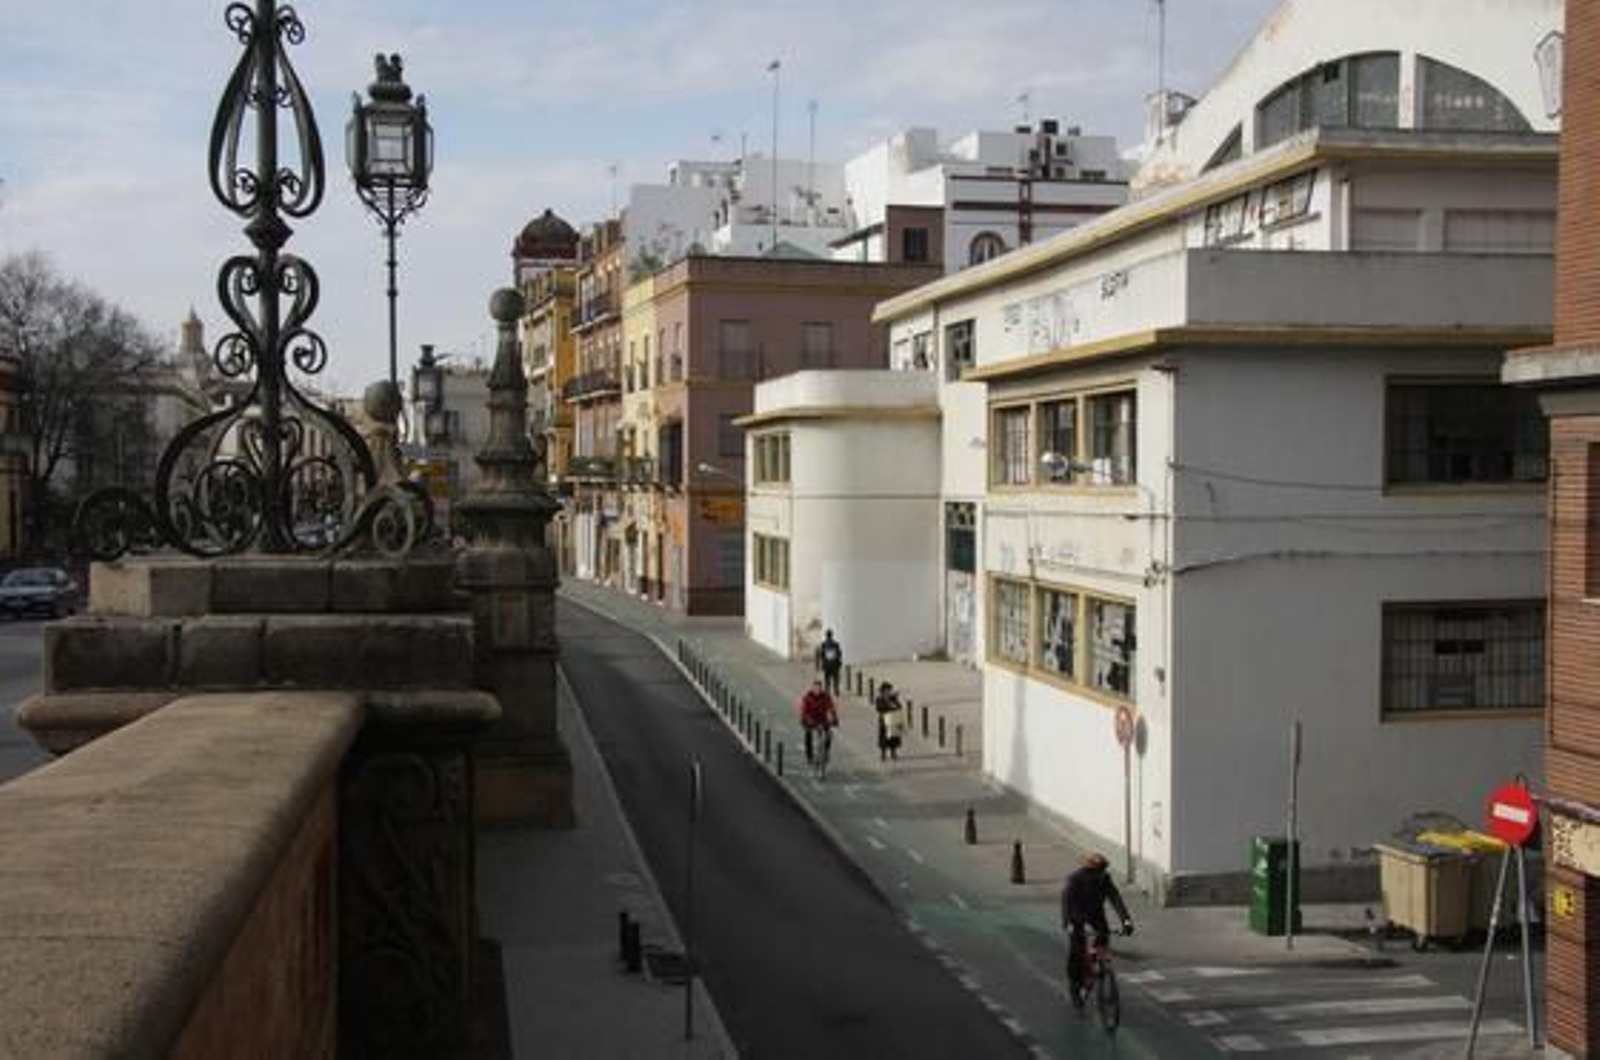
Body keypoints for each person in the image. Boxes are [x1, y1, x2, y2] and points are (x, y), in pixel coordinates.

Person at [1061, 852, 1134, 1008]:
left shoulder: (1104, 878)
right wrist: (1069, 923)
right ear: (1090, 869)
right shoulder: (1075, 879)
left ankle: (1098, 968)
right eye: (1100, 870)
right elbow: (1067, 902)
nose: (1103, 873)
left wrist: (1126, 921)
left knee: (1101, 943)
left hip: (1097, 918)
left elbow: (1115, 898)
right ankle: (1075, 987)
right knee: (1076, 953)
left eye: (1104, 869)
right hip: (1078, 919)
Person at [798, 679, 839, 765]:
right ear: (813, 688)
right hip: (810, 719)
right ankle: (809, 756)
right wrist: (806, 720)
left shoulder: (826, 697)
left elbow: (831, 708)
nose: (818, 690)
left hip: (822, 719)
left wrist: (834, 718)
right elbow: (803, 711)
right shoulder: (807, 697)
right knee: (808, 734)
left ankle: (826, 751)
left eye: (819, 688)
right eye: (816, 688)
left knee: (829, 734)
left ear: (821, 689)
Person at [874, 681, 904, 761]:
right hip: (884, 721)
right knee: (883, 738)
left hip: (893, 719)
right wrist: (889, 705)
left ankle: (893, 753)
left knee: (893, 738)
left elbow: (899, 706)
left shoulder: (893, 698)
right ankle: (883, 754)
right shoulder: (879, 699)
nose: (888, 691)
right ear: (883, 691)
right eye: (886, 690)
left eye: (889, 690)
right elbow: (879, 708)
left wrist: (893, 702)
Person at [816, 629, 843, 695]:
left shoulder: (824, 644)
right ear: (832, 635)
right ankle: (836, 690)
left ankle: (827, 690)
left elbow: (821, 654)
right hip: (834, 664)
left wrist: (821, 663)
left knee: (827, 678)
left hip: (827, 664)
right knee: (835, 678)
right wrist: (838, 661)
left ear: (826, 635)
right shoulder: (836, 644)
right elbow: (839, 653)